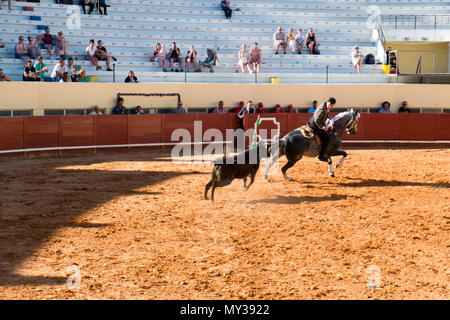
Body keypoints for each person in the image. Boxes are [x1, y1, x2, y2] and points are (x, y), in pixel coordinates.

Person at [307, 97, 336, 161]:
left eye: (332, 106)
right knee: (327, 138)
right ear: (327, 102)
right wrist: (323, 127)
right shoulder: (322, 109)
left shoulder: (325, 106)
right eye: (330, 105)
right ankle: (321, 156)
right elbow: (317, 120)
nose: (330, 107)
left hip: (316, 123)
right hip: (315, 125)